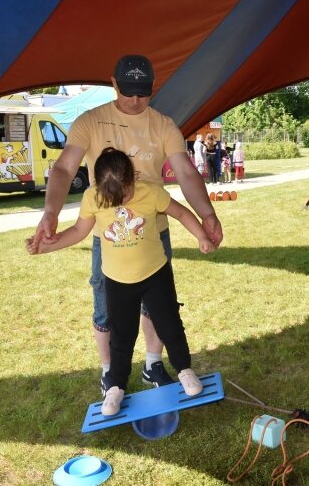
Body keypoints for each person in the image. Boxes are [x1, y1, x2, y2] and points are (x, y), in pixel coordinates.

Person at [30, 54, 223, 397]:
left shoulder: (162, 125)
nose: (135, 101)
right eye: (128, 92)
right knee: (108, 308)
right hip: (109, 237)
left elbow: (186, 172)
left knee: (159, 307)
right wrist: (51, 213)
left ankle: (153, 363)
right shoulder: (91, 122)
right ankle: (110, 372)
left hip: (154, 231)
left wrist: (206, 214)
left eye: (143, 93)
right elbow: (62, 169)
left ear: (152, 88)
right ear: (114, 83)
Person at [27, 148, 214, 415]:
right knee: (122, 336)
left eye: (122, 196)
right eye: (109, 198)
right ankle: (116, 387)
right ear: (98, 186)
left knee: (169, 324)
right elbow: (80, 231)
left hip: (155, 274)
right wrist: (45, 248)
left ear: (133, 178)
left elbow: (181, 213)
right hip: (117, 280)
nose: (116, 202)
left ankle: (184, 370)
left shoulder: (150, 192)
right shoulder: (93, 197)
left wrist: (201, 237)